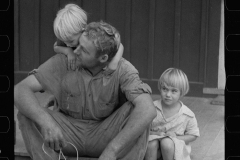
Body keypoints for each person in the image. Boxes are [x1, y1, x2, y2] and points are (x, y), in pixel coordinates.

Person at [14, 21, 156, 160]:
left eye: (84, 50)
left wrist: (112, 151)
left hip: (105, 135)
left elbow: (148, 109)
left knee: (139, 113)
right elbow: (19, 89)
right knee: (26, 112)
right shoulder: (64, 61)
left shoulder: (123, 69)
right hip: (66, 135)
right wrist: (46, 121)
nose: (76, 51)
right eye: (78, 45)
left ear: (103, 58)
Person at [144, 68, 200, 160]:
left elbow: (193, 135)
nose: (168, 95)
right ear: (160, 88)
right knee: (151, 143)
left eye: (174, 91)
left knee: (167, 143)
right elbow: (142, 130)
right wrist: (156, 133)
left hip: (175, 152)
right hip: (154, 150)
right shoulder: (151, 108)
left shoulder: (187, 114)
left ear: (181, 92)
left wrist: (177, 137)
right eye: (165, 89)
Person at [53, 3, 123, 71]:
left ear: (83, 30)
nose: (67, 44)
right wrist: (68, 51)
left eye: (71, 41)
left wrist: (114, 62)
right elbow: (56, 47)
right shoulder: (67, 37)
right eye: (64, 41)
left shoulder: (93, 34)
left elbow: (119, 45)